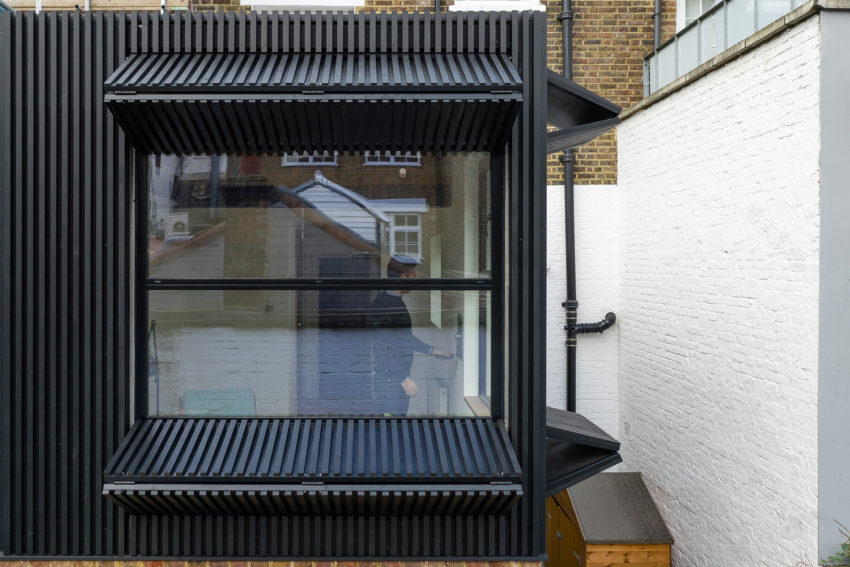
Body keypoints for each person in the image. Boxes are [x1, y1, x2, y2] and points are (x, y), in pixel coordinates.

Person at [369, 255, 451, 416]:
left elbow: (404, 339)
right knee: (391, 428)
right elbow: (386, 346)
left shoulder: (393, 301)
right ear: (403, 277)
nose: (415, 279)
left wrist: (432, 350)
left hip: (393, 379)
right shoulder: (385, 305)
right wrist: (404, 379)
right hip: (390, 382)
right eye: (413, 275)